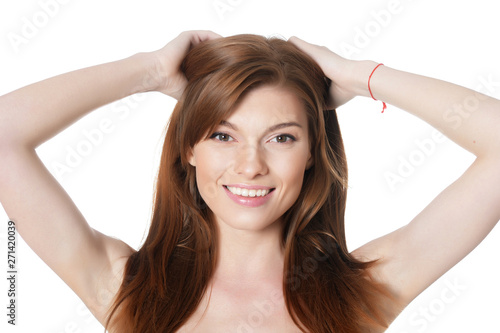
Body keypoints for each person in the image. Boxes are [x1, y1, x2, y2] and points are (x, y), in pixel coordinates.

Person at [0, 30, 498, 332]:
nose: (250, 165)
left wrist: (358, 74)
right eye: (222, 135)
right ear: (188, 148)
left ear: (311, 155)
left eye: (281, 139)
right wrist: (149, 70)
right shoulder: (127, 289)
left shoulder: (364, 290)